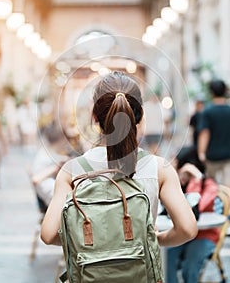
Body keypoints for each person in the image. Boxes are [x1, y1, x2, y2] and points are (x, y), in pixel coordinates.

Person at [41, 71, 197, 250]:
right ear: (138, 116)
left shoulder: (72, 171)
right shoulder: (160, 168)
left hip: (91, 276)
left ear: (95, 117)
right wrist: (154, 239)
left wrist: (87, 239)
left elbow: (48, 234)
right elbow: (187, 229)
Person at [167, 146, 220, 283]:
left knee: (189, 269)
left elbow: (195, 209)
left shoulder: (209, 185)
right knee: (168, 256)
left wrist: (196, 179)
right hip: (184, 234)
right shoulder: (178, 185)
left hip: (205, 235)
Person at [198, 79, 230, 186]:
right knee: (227, 187)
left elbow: (205, 133)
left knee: (212, 186)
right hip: (228, 155)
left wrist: (201, 153)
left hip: (212, 156)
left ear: (211, 93)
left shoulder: (208, 111)